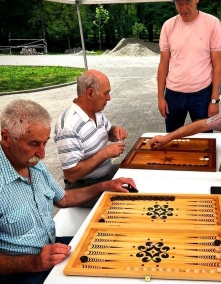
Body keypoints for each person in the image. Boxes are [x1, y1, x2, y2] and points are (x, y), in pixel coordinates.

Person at [0, 99, 136, 284]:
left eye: (44, 143)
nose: (42, 154)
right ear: (6, 137)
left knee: (117, 247)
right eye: (33, 144)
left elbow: (63, 199)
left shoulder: (34, 165)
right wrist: (33, 262)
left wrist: (105, 186)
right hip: (20, 273)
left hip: (51, 249)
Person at [54, 69, 129, 207]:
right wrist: (105, 153)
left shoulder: (96, 112)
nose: (109, 98)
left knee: (137, 173)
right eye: (106, 93)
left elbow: (108, 131)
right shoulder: (69, 126)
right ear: (90, 93)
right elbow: (72, 175)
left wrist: (115, 131)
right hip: (84, 187)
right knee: (130, 200)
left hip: (106, 174)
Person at [157, 0, 221, 132]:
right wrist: (161, 97)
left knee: (205, 140)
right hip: (173, 94)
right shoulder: (168, 26)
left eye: (187, 2)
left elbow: (218, 65)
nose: (183, 8)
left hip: (202, 93)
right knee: (172, 138)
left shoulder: (212, 23)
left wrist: (214, 100)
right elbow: (163, 64)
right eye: (179, 3)